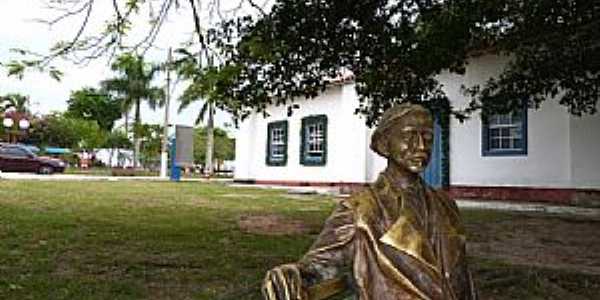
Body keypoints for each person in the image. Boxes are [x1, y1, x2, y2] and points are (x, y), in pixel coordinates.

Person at [262, 104, 477, 300]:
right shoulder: (359, 210)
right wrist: (292, 274)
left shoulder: (446, 204)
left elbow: (462, 278)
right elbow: (320, 267)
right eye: (409, 136)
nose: (421, 146)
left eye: (428, 137)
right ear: (384, 144)